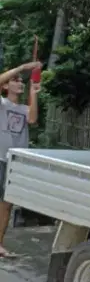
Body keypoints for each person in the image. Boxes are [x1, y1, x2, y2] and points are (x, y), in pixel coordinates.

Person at [0, 61, 41, 257]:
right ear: (6, 86)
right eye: (15, 81)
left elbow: (32, 119)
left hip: (14, 162)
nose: (20, 83)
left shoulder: (24, 109)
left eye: (21, 81)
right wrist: (23, 68)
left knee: (6, 204)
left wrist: (33, 92)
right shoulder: (2, 104)